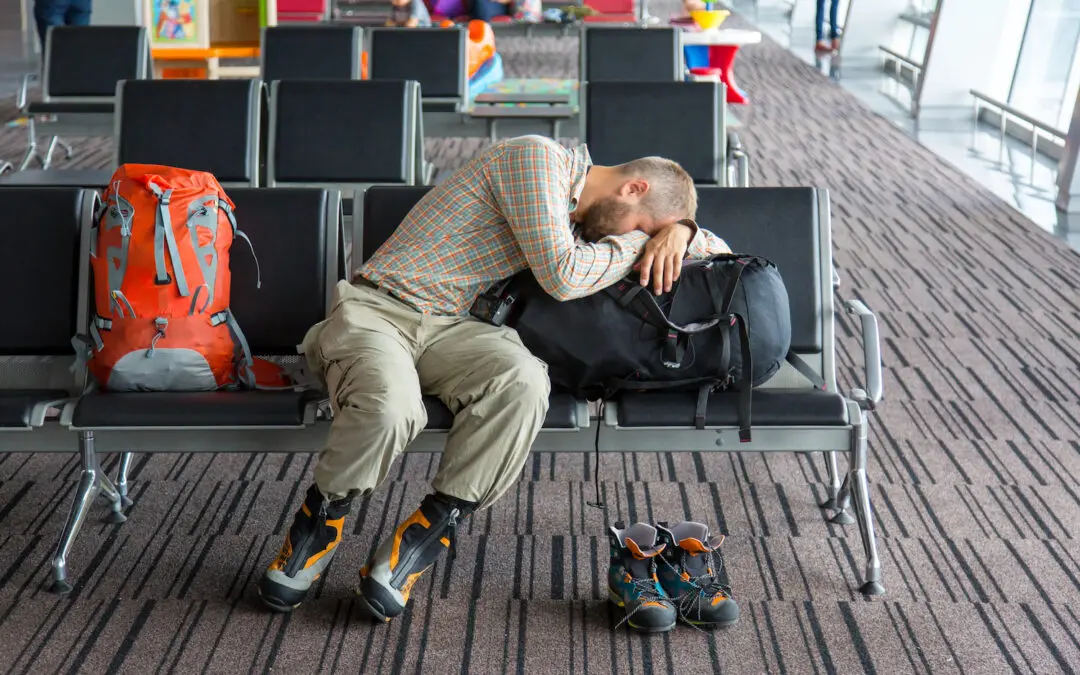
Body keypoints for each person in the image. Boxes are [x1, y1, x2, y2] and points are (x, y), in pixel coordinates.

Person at [257, 135, 732, 621]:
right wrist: (639, 242)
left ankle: (426, 532)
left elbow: (721, 251)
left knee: (525, 382)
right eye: (643, 229)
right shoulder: (536, 158)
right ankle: (320, 522)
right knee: (392, 408)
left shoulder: (586, 214)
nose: (638, 242)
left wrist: (682, 233)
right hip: (380, 311)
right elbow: (564, 276)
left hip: (458, 328)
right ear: (633, 189)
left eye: (646, 238)